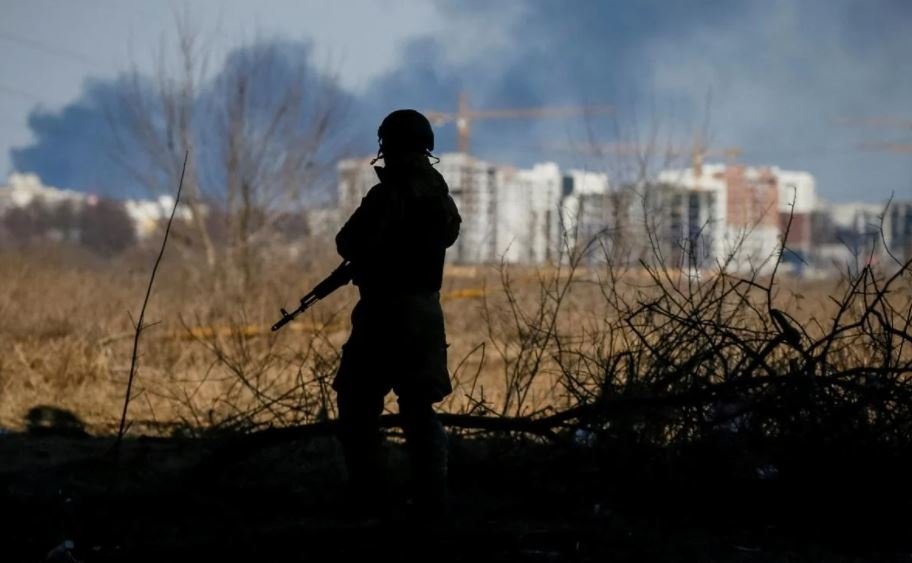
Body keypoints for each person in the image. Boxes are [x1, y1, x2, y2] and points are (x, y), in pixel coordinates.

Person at [333, 109, 461, 517]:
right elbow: (446, 235)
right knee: (419, 408)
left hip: (384, 313)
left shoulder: (389, 194)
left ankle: (369, 496)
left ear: (387, 145)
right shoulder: (440, 196)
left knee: (357, 402)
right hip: (425, 313)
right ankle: (431, 500)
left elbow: (347, 242)